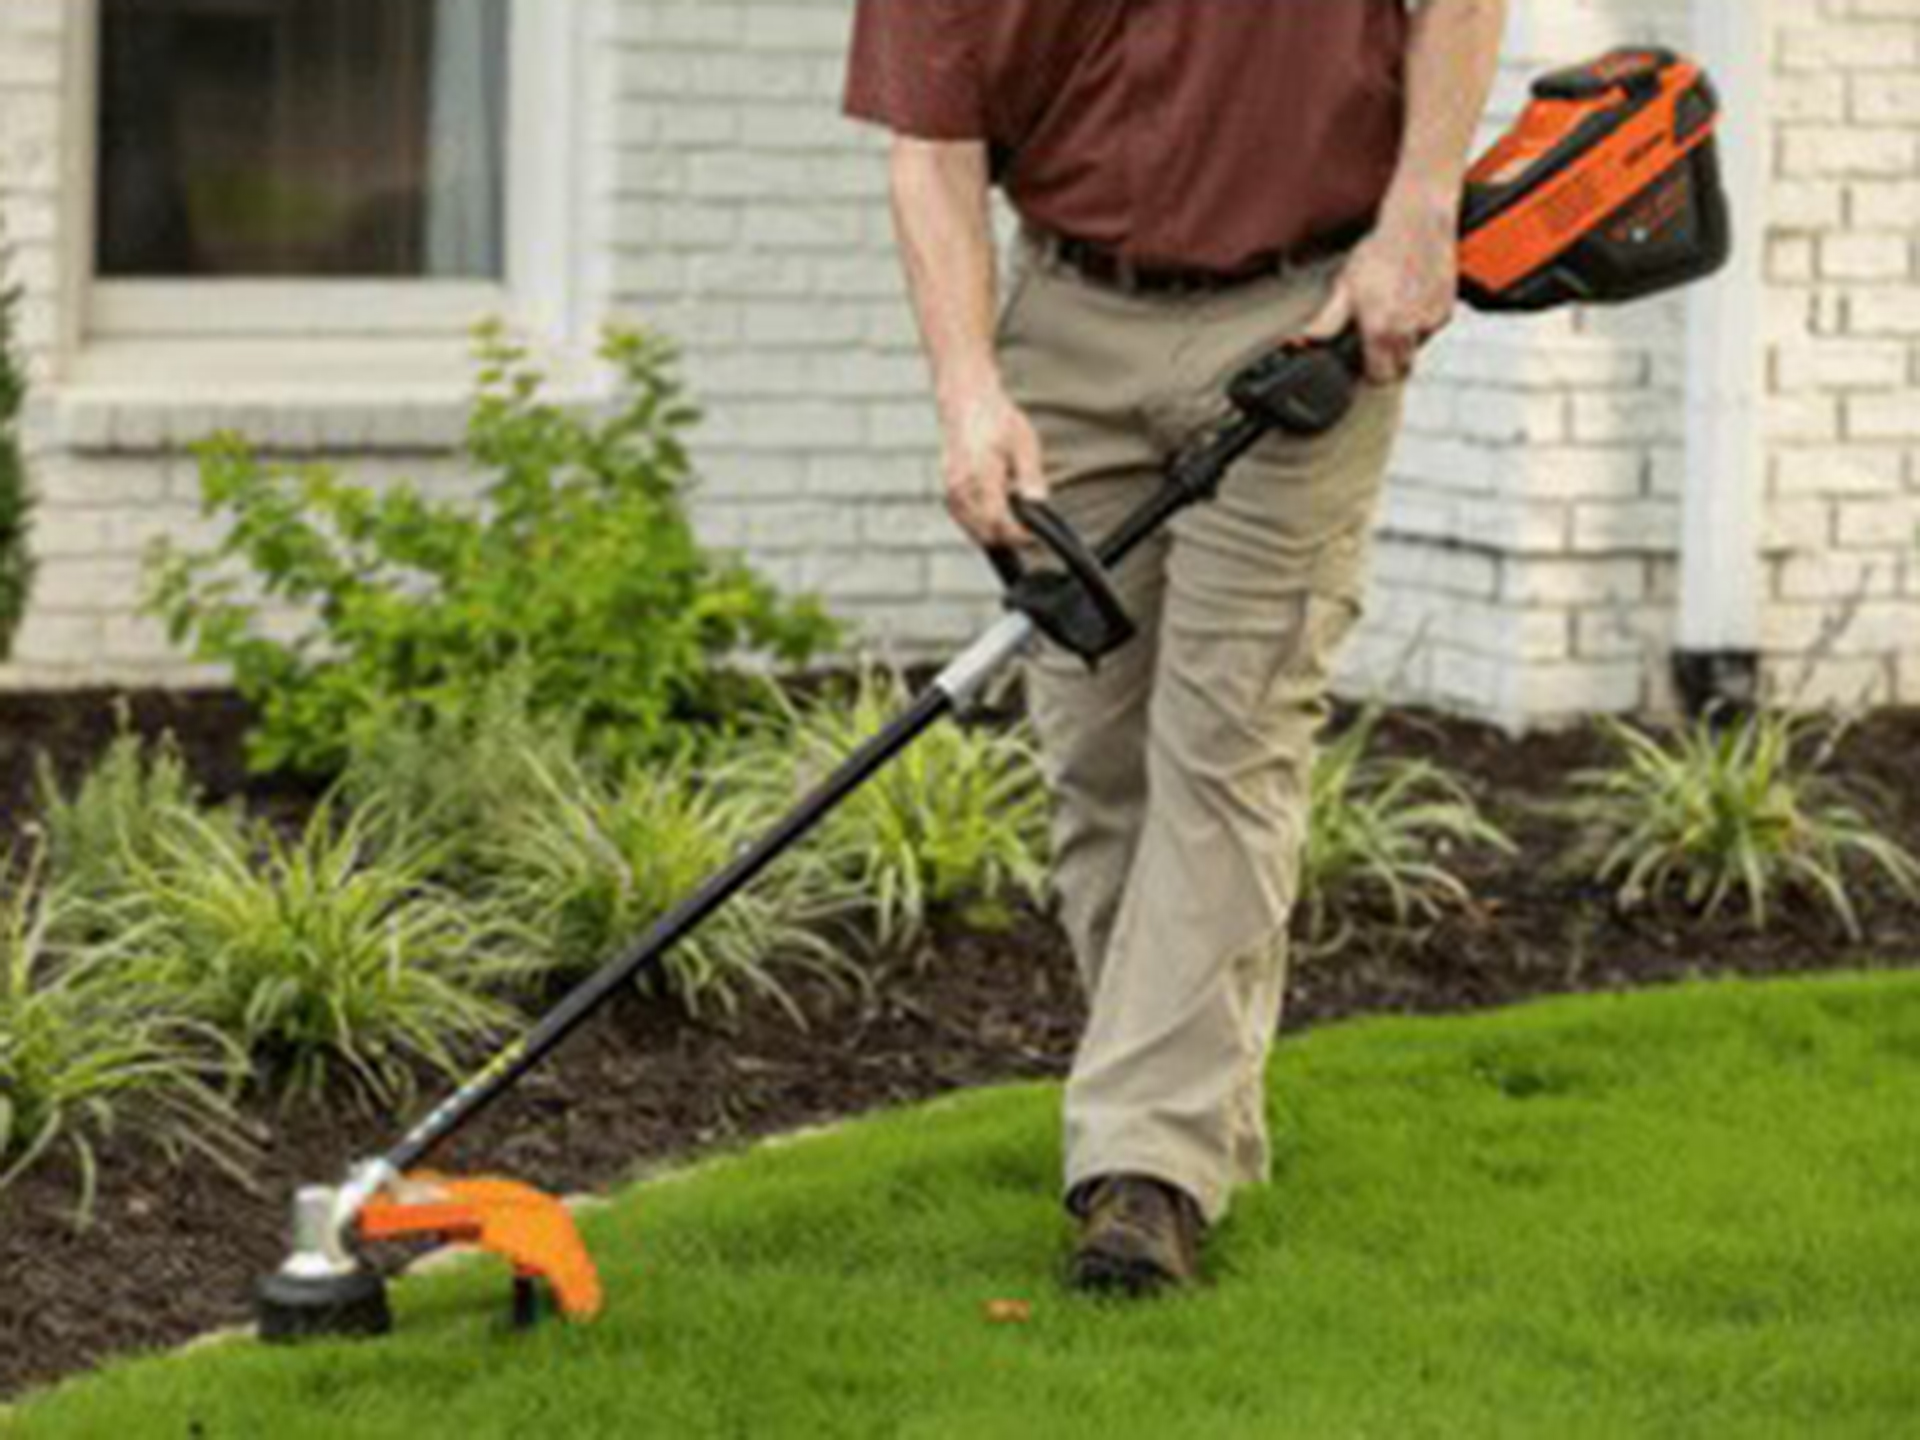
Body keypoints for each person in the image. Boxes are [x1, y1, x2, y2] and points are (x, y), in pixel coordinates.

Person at [844, 1, 1508, 1296]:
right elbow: (931, 148)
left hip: (1303, 315)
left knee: (1228, 746)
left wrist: (1419, 212)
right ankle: (1185, 1123)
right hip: (1065, 327)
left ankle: (1142, 1172)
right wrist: (968, 394)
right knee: (1100, 767)